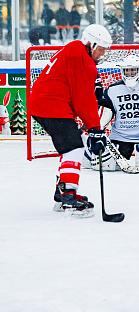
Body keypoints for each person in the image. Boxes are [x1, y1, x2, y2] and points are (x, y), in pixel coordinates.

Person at [28, 24, 112, 216]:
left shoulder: (75, 50)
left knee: (76, 143)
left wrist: (95, 82)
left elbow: (78, 85)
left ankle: (62, 192)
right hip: (50, 105)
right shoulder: (80, 55)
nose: (101, 54)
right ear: (91, 44)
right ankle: (68, 195)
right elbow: (82, 98)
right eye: (100, 50)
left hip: (48, 104)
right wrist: (95, 129)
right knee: (74, 147)